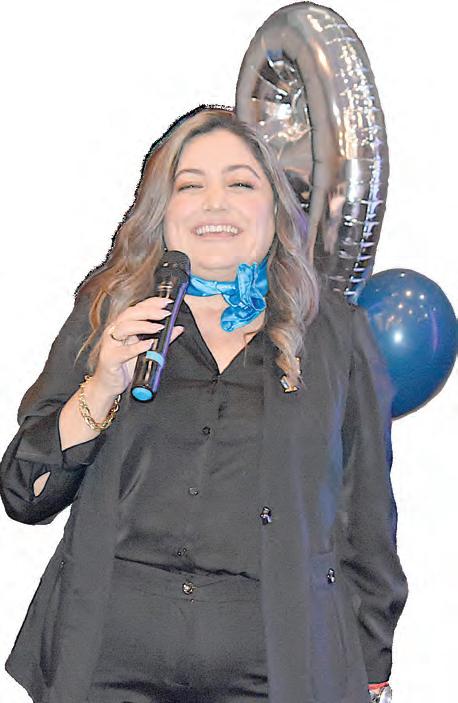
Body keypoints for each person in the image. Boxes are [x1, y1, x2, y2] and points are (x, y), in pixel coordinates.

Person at [0, 105, 408, 703]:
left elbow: (365, 516)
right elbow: (24, 494)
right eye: (190, 186)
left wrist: (373, 668)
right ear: (162, 211)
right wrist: (101, 386)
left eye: (240, 184)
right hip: (107, 659)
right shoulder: (109, 310)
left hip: (277, 667)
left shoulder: (337, 334)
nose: (215, 204)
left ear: (276, 208)